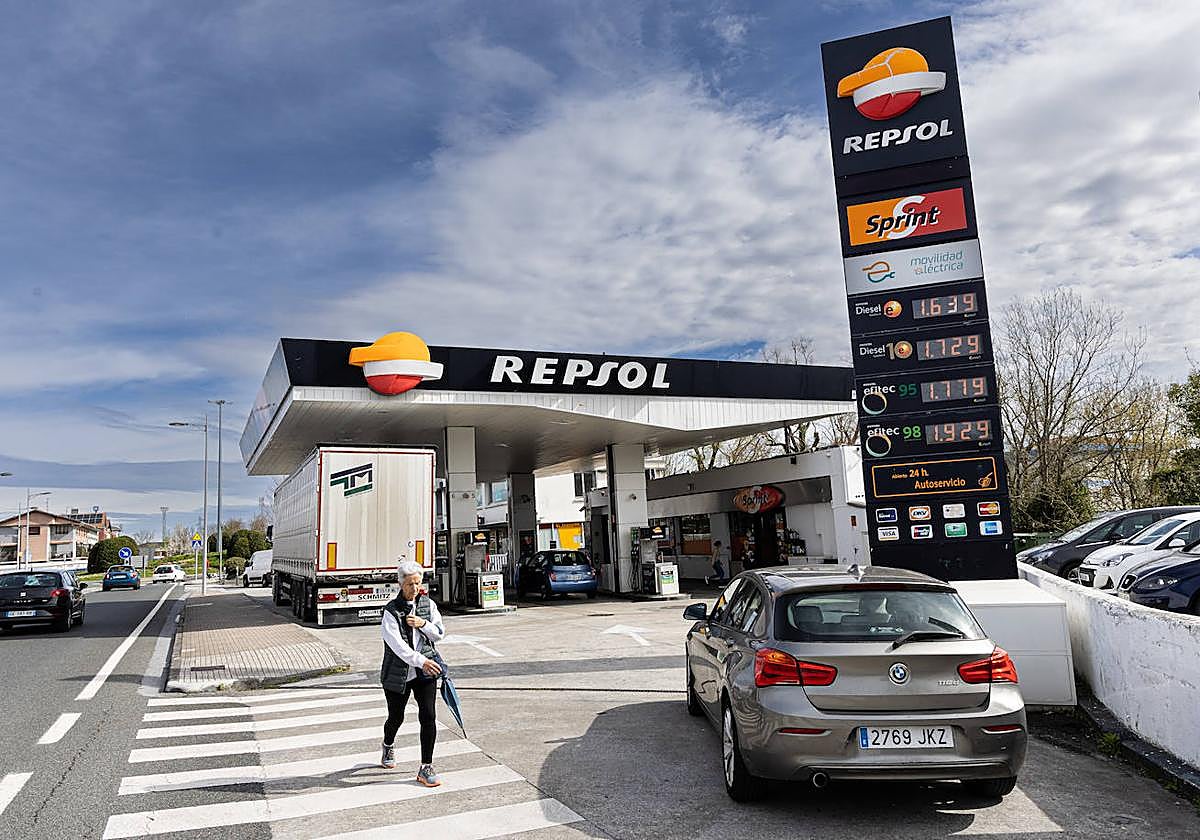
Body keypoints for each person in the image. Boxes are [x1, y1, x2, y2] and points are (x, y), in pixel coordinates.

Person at [380, 558, 445, 786]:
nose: (415, 589)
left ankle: (426, 767)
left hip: (425, 673)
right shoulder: (391, 612)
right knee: (396, 717)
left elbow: (439, 633)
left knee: (428, 716)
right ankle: (388, 745)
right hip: (399, 673)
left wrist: (422, 624)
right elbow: (398, 647)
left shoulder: (428, 605)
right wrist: (421, 660)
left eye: (418, 583)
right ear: (400, 584)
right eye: (410, 584)